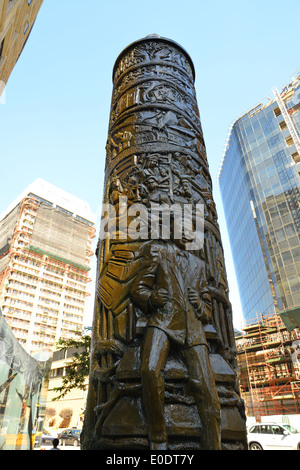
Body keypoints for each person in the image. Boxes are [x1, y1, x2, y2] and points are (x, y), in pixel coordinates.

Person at [130, 236, 221, 450]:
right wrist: (152, 299)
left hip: (193, 331)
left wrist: (199, 303)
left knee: (207, 388)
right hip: (163, 321)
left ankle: (214, 444)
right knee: (150, 369)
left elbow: (208, 310)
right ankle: (159, 438)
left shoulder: (199, 265)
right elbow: (138, 288)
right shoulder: (157, 251)